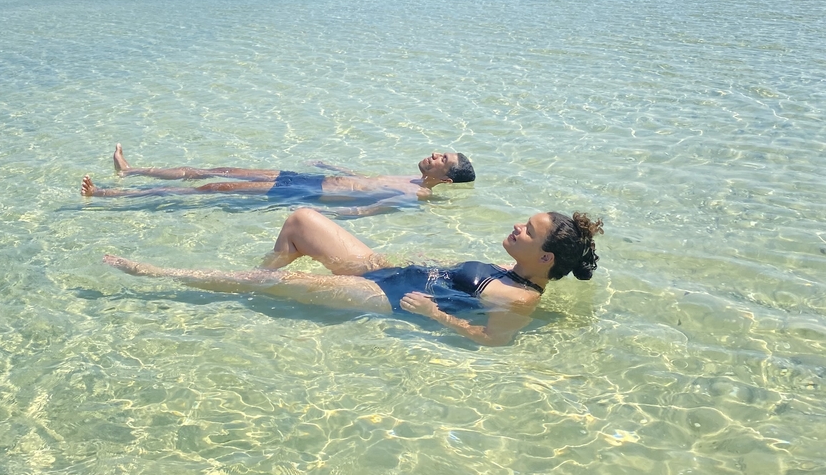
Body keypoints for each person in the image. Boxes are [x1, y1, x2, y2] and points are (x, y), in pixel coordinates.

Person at [102, 206, 603, 347]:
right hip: (389, 270)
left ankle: (158, 273)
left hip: (381, 297)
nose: (517, 227)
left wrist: (435, 316)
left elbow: (491, 342)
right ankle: (246, 282)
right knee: (300, 220)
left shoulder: (520, 300)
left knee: (279, 286)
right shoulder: (511, 271)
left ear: (546, 260)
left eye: (528, 231)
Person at [82, 147, 476, 216]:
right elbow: (362, 180)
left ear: (447, 177)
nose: (435, 155)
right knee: (223, 171)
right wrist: (330, 164)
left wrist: (346, 215)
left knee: (213, 189)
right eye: (440, 152)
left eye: (443, 158)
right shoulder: (409, 175)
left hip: (308, 193)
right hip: (313, 179)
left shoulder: (417, 193)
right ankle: (130, 171)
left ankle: (109, 194)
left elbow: (373, 206)